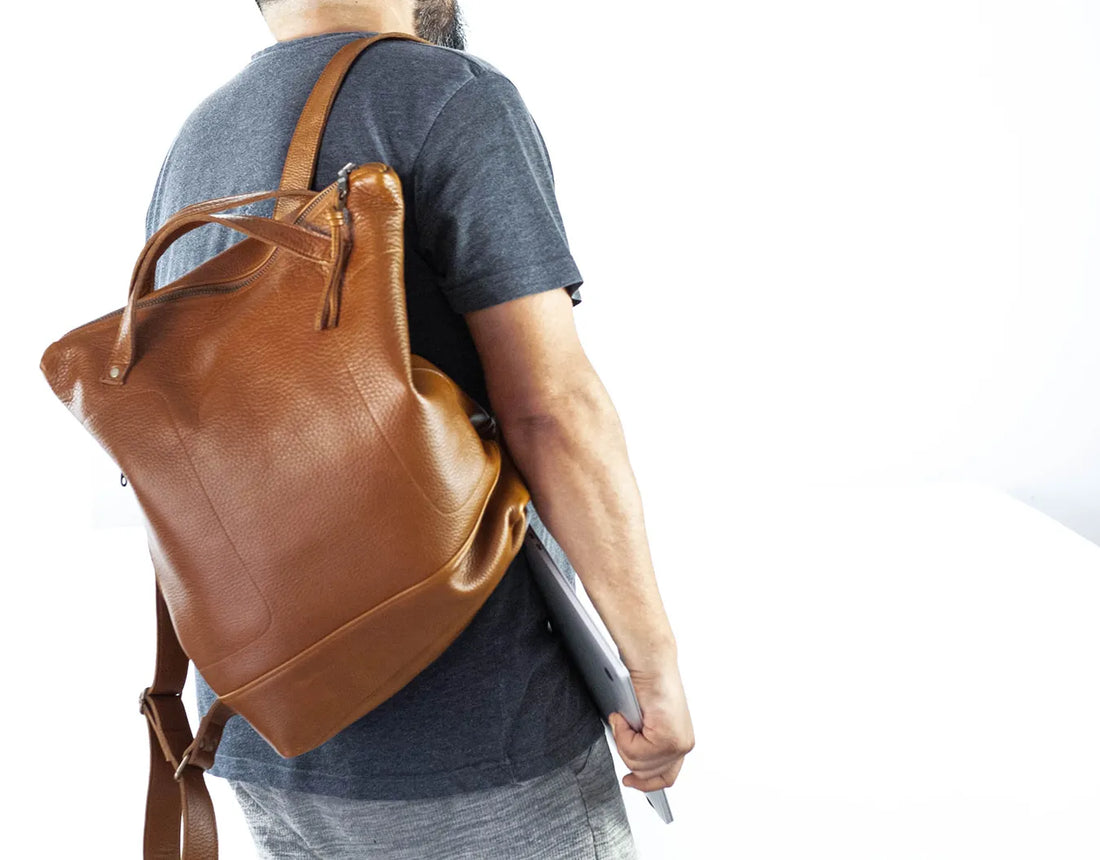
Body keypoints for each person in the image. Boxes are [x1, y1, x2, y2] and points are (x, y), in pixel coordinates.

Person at [143, 1, 695, 856]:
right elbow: (552, 409)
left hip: (263, 739)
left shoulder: (196, 139)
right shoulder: (448, 95)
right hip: (475, 735)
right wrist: (650, 667)